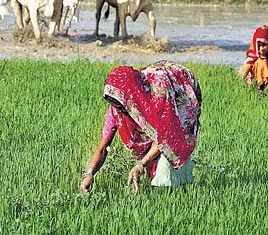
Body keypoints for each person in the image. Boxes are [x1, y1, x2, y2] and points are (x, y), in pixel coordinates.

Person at [79, 60, 202, 194]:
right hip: (152, 96)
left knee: (171, 153)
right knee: (155, 161)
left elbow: (166, 135)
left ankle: (178, 189)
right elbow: (103, 148)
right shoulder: (117, 108)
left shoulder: (158, 98)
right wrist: (89, 174)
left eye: (121, 107)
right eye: (114, 105)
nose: (119, 111)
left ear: (129, 98)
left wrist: (141, 165)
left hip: (180, 91)